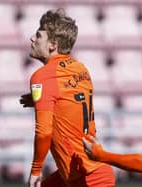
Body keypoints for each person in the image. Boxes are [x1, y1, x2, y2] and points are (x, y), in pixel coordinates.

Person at [20, 8, 115, 187]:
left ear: (52, 44)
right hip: (86, 171)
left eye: (38, 35)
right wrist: (41, 100)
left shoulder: (43, 76)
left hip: (86, 176)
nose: (32, 38)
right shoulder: (81, 69)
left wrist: (36, 170)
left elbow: (44, 132)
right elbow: (69, 101)